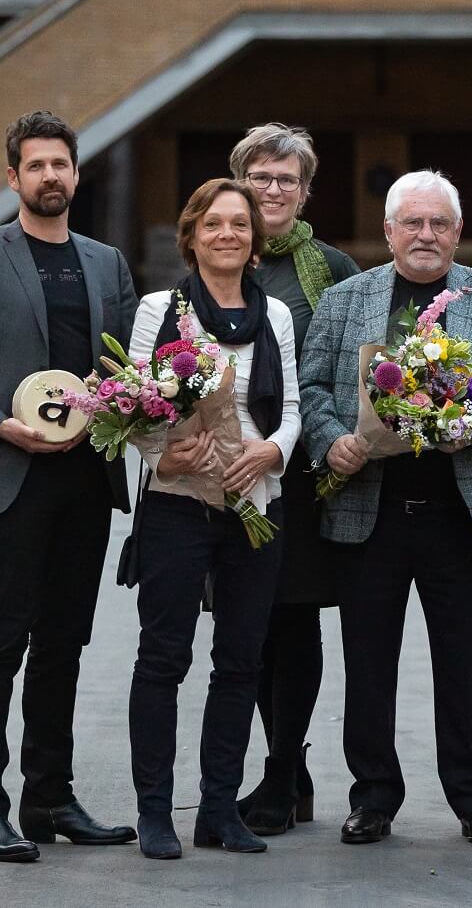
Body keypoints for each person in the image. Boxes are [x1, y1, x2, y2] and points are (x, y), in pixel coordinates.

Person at [0, 110, 138, 862]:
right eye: (35, 166)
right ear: (13, 177)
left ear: (77, 174)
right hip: (11, 477)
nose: (50, 177)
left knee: (65, 645)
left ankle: (50, 796)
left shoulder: (106, 263)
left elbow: (126, 370)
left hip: (85, 478)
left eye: (61, 165)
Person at [299, 169, 472, 847]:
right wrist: (333, 441)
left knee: (465, 661)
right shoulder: (350, 298)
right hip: (368, 509)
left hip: (458, 511)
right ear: (389, 231)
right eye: (413, 222)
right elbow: (313, 382)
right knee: (368, 664)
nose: (426, 235)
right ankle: (373, 797)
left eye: (439, 223)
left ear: (458, 232)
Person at [125, 179, 302, 859]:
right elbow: (133, 400)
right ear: (192, 235)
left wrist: (271, 452)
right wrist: (162, 458)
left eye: (240, 224)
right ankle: (155, 813)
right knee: (163, 657)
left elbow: (289, 411)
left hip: (254, 505)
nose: (228, 234)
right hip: (176, 506)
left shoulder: (276, 315)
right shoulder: (158, 310)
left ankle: (220, 811)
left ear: (255, 241)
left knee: (240, 661)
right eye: (215, 224)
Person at [225, 124, 359, 836]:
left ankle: (280, 774)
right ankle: (290, 770)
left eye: (286, 179)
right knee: (250, 624)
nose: (272, 190)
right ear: (241, 181)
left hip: (302, 478)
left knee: (293, 617)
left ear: (306, 190)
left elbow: (346, 366)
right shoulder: (219, 252)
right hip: (231, 476)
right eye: (261, 176)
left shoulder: (328, 267)